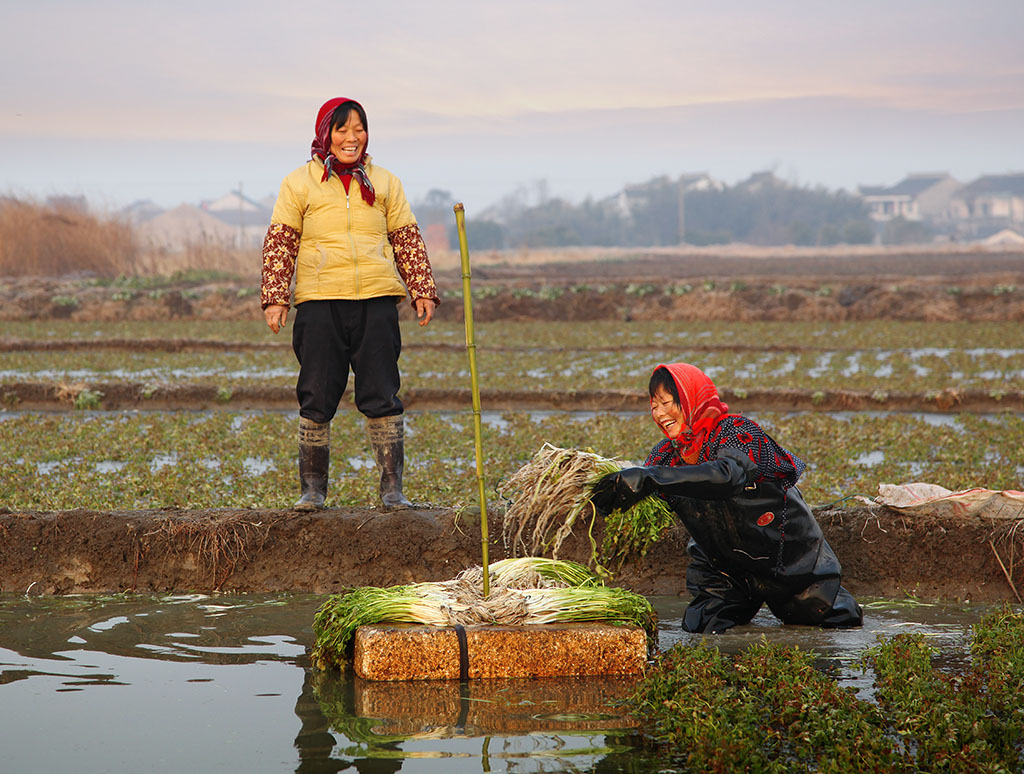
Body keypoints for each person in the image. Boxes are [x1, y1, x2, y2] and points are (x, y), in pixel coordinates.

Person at [260, 96, 440, 512]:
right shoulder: (299, 183)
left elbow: (406, 238)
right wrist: (275, 298)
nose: (351, 137)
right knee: (317, 393)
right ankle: (313, 490)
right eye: (342, 129)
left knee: (382, 392)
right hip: (320, 303)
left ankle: (392, 490)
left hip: (376, 301)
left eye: (358, 128)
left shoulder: (385, 183)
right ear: (326, 134)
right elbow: (281, 242)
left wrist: (422, 289)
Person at [590, 362, 863, 633]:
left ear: (690, 398)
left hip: (789, 560)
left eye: (667, 402)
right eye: (653, 406)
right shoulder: (666, 455)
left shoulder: (734, 432)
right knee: (703, 626)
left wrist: (651, 478)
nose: (660, 413)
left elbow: (728, 476)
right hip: (725, 570)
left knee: (829, 619)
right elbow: (649, 499)